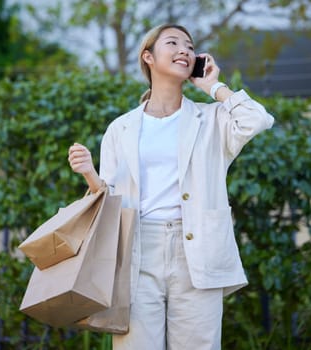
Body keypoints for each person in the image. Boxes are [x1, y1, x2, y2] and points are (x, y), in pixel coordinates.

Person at [68, 24, 274, 350]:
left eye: (190, 47)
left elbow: (257, 119)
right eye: (173, 43)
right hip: (137, 248)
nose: (184, 50)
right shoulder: (121, 128)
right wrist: (90, 174)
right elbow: (107, 202)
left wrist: (212, 85)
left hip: (198, 250)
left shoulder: (211, 118)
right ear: (148, 56)